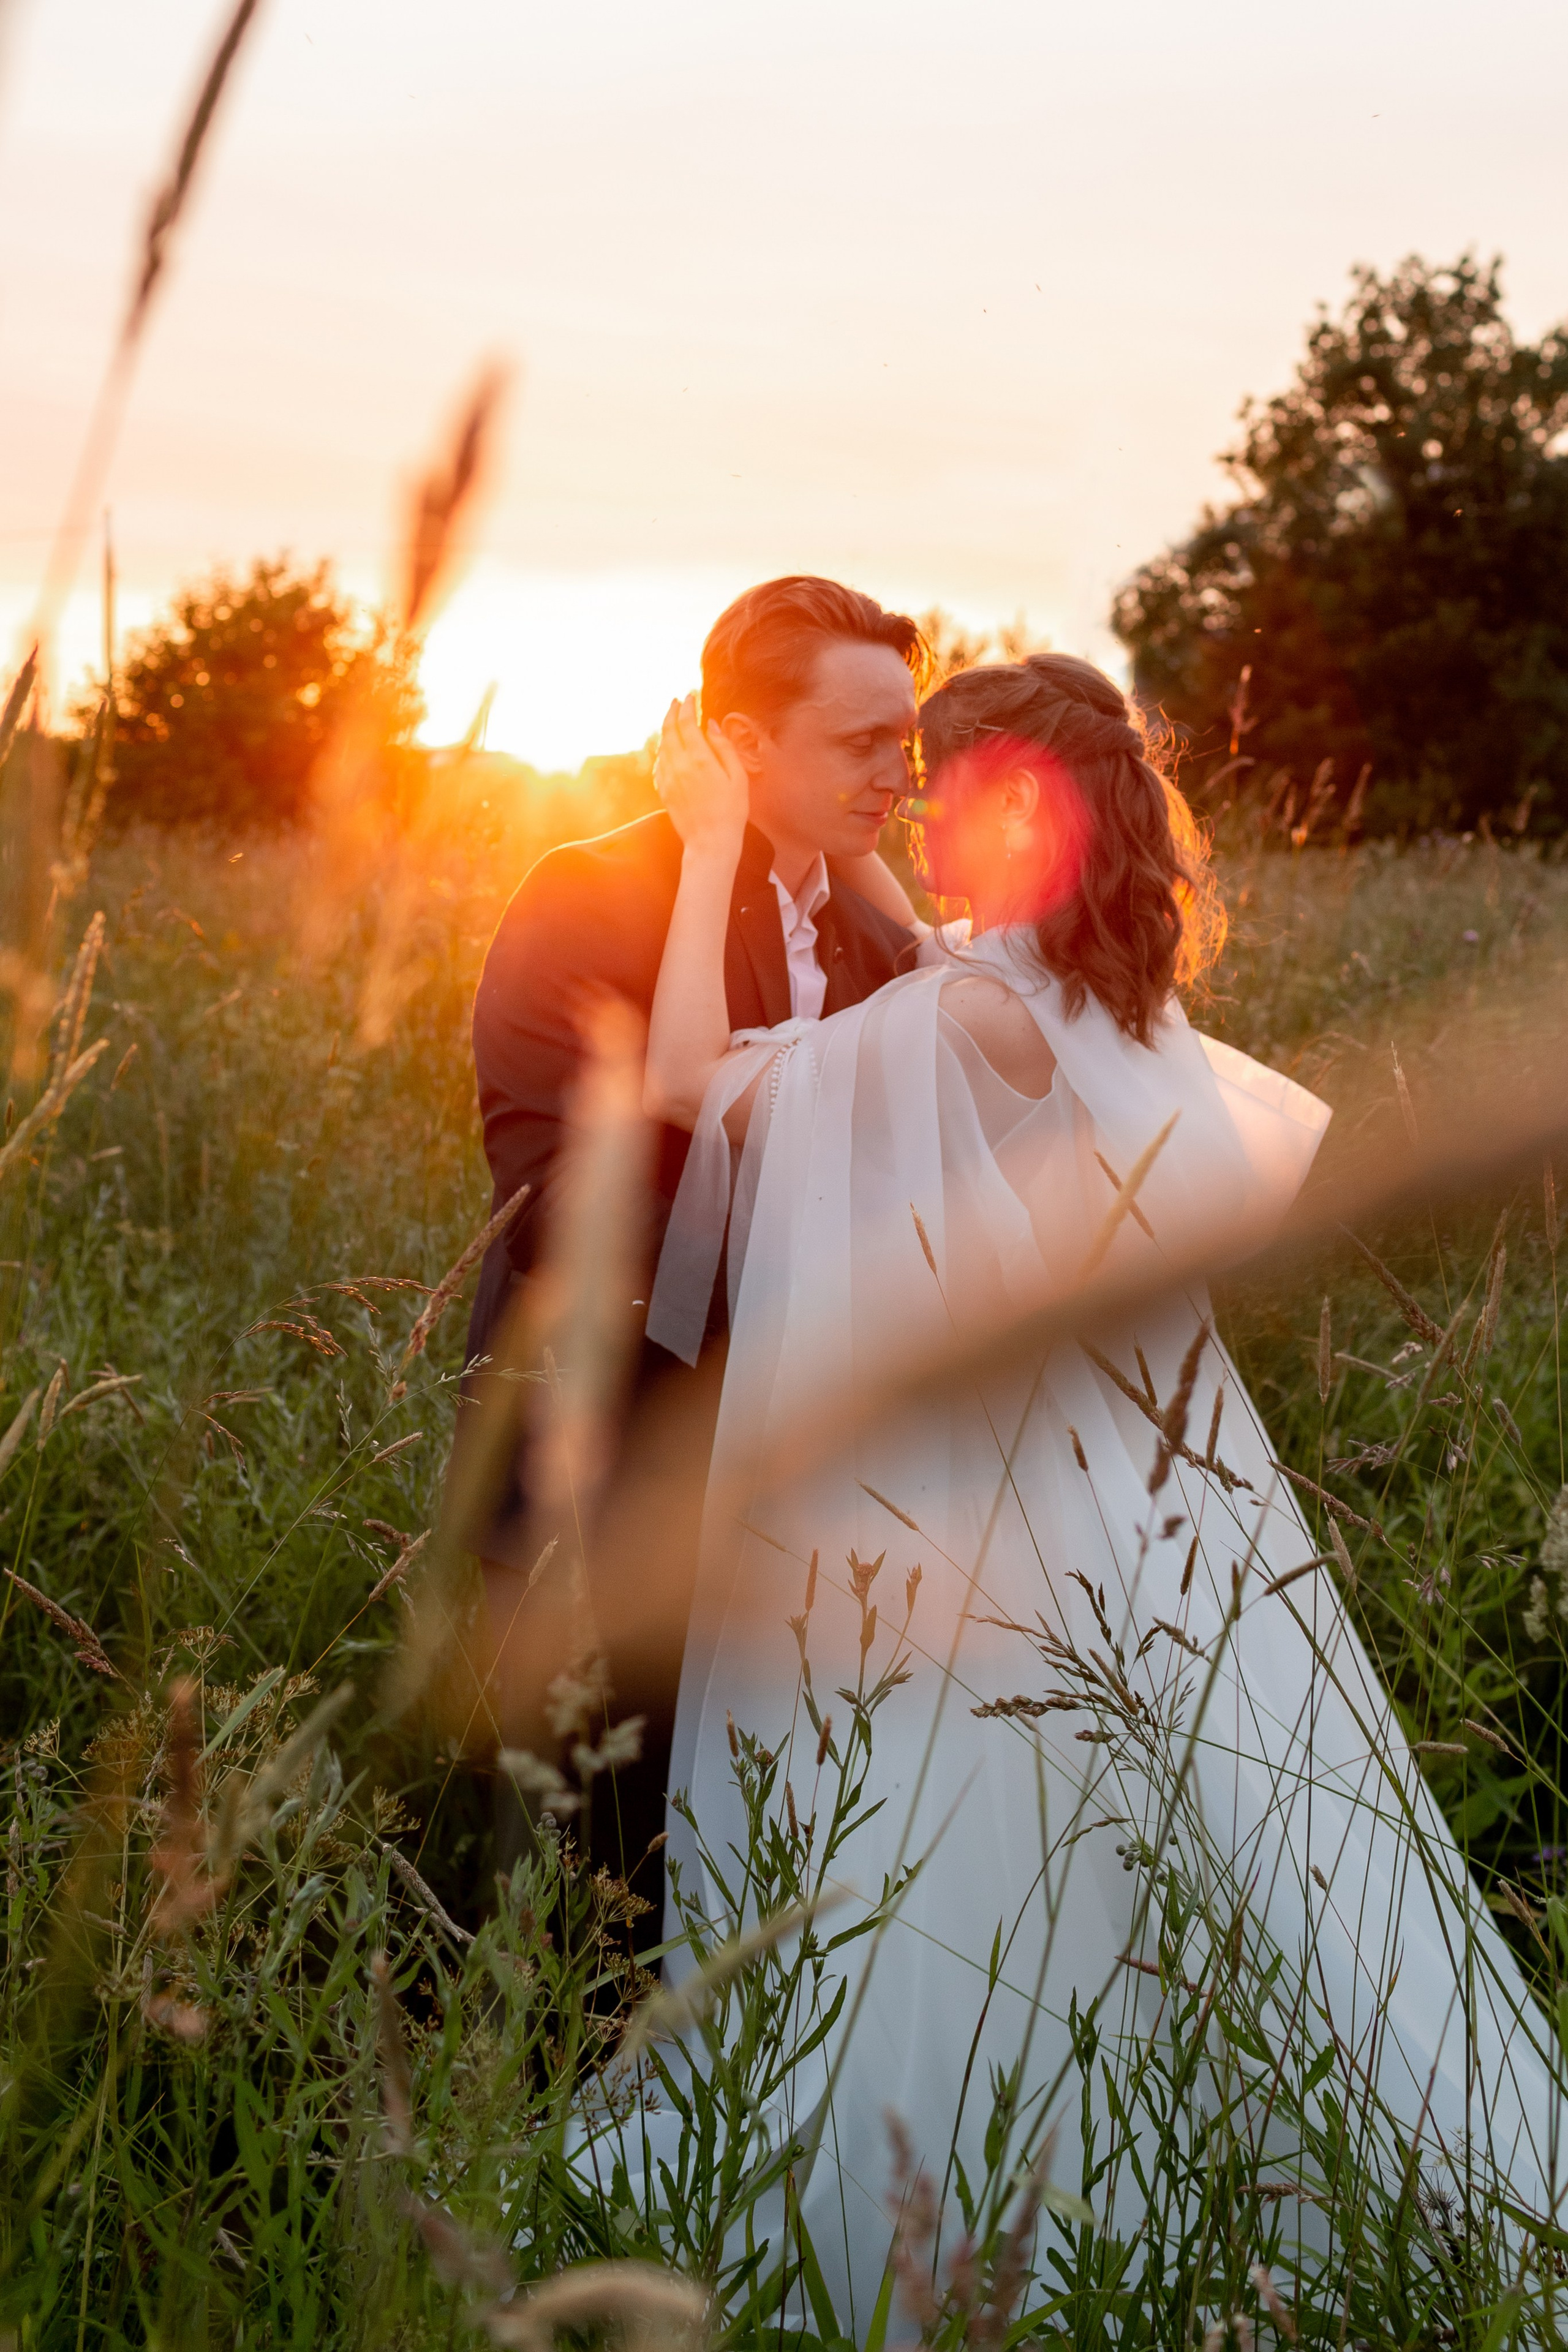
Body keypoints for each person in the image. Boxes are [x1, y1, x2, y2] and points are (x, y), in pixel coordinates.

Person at [639, 652, 1561, 2324]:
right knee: (1168, 1842)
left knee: (962, 1851)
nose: (908, 803)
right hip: (1143, 1497)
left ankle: (955, 2236)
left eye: (937, 780)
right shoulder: (1100, 1001)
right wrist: (859, 860)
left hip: (975, 1526)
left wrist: (715, 842)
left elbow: (699, 1079)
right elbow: (938, 977)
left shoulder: (958, 1015)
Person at [458, 576, 929, 1899]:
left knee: (752, 1876)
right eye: (861, 745)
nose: (899, 776)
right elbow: (555, 1206)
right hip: (602, 1480)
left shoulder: (871, 928)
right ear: (738, 744)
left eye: (904, 742)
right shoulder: (587, 893)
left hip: (809, 1492)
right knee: (565, 1887)